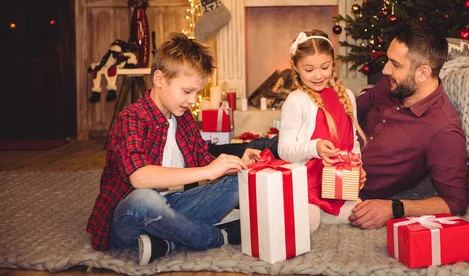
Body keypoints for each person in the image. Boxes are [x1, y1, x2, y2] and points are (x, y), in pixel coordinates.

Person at [86, 33, 260, 265]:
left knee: (241, 180)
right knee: (146, 199)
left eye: (197, 93)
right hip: (132, 217)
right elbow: (140, 177)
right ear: (159, 79)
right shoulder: (132, 118)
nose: (192, 100)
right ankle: (216, 237)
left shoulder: (182, 116)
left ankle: (166, 242)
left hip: (175, 207)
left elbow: (202, 160)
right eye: (187, 91)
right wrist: (208, 171)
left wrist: (236, 163)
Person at [349, 23, 468, 229]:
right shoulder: (390, 86)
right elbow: (349, 114)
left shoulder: (443, 130)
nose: (385, 70)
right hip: (323, 156)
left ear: (422, 73)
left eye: (395, 64)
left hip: (343, 191)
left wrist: (393, 208)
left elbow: (455, 202)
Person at [278, 30, 367, 232]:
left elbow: (352, 142)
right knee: (309, 224)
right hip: (306, 183)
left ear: (332, 64)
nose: (318, 75)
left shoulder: (347, 96)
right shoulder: (297, 100)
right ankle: (305, 207)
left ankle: (324, 208)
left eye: (324, 67)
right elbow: (284, 149)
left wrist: (357, 167)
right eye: (309, 70)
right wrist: (314, 147)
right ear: (296, 68)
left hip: (337, 183)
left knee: (361, 212)